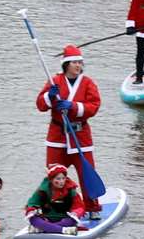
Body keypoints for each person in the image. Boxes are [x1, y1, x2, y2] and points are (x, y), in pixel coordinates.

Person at [33, 44, 103, 212]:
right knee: (53, 175)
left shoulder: (87, 83)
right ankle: (52, 208)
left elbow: (94, 106)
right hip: (57, 136)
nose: (78, 66)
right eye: (74, 62)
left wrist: (72, 106)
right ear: (66, 65)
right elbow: (40, 105)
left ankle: (91, 207)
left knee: (86, 174)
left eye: (80, 62)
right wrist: (49, 97)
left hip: (81, 135)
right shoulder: (54, 81)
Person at [23, 163, 85, 235]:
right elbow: (32, 203)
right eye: (58, 179)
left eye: (63, 178)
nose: (61, 181)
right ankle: (63, 230)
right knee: (33, 219)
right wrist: (32, 211)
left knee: (72, 220)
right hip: (46, 218)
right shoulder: (42, 190)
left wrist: (75, 212)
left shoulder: (70, 190)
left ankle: (43, 229)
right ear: (51, 179)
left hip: (64, 218)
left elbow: (79, 206)